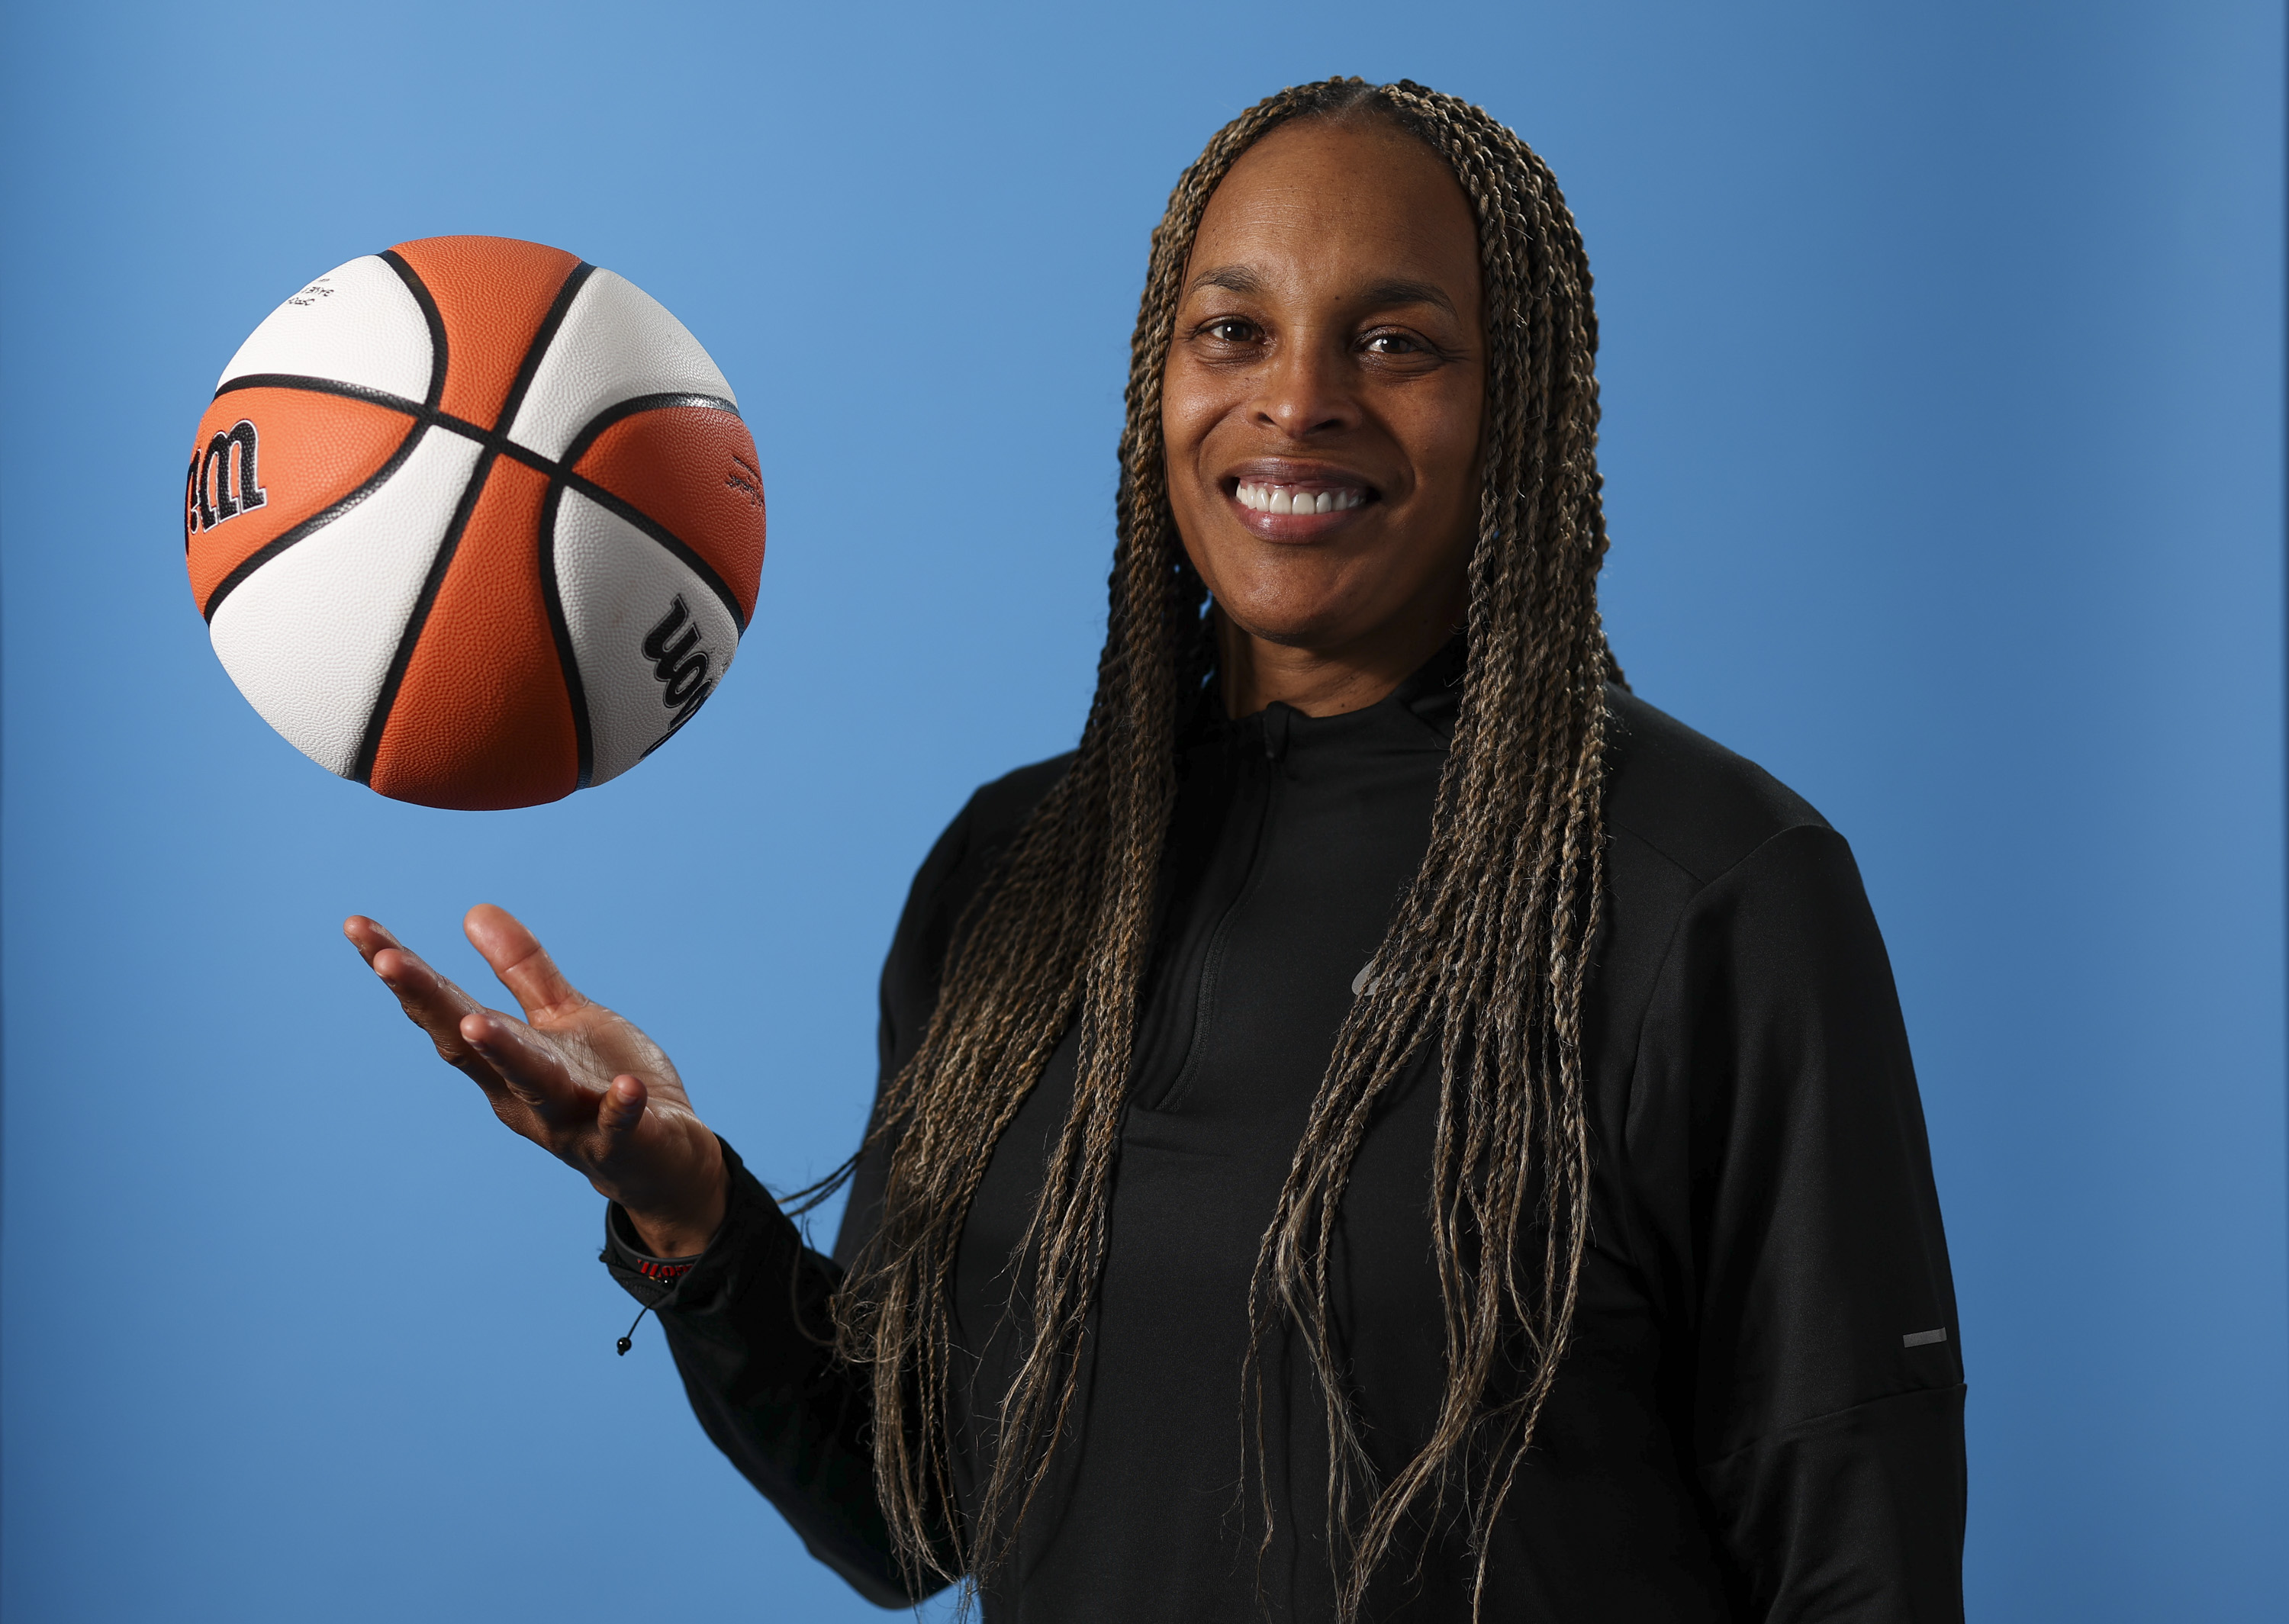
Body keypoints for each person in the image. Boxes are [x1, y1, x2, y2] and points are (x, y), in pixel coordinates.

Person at [349, 77, 1965, 1622]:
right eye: (1233, 332)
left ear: (1521, 406)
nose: (1298, 399)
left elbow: (1857, 1574)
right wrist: (688, 1209)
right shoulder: (1024, 878)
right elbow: (909, 1515)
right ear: (1159, 388)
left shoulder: (1712, 890)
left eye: (1397, 340)